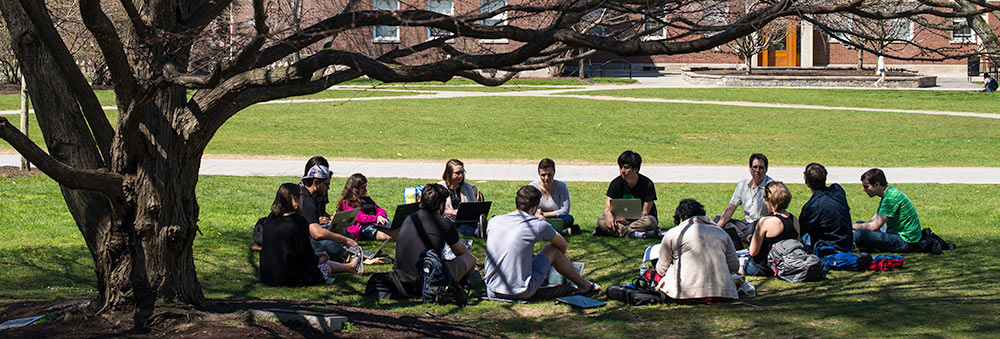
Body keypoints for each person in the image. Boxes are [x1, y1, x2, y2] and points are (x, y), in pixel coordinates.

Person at [485, 185, 600, 300]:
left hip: (491, 289)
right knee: (553, 250)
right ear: (534, 208)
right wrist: (548, 265)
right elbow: (562, 245)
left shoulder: (494, 221)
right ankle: (584, 285)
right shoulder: (536, 224)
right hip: (520, 292)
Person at [260, 183, 360, 286]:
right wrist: (317, 259)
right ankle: (350, 267)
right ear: (295, 199)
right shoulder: (298, 221)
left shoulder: (270, 219)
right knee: (325, 267)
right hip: (290, 277)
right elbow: (305, 253)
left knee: (321, 261)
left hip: (267, 275)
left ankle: (350, 267)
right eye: (301, 196)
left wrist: (315, 256)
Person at [393, 184, 479, 294]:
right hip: (428, 279)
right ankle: (468, 279)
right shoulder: (443, 223)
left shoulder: (410, 218)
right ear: (441, 205)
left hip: (401, 277)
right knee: (469, 258)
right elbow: (461, 251)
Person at [655, 199, 739, 302]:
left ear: (680, 219)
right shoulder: (721, 233)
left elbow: (661, 269)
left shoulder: (673, 234)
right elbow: (734, 266)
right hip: (722, 293)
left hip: (683, 294)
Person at [300, 161, 361, 263]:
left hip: (304, 237)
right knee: (336, 248)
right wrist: (344, 240)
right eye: (326, 184)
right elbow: (317, 233)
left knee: (336, 240)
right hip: (300, 241)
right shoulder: (306, 201)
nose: (328, 187)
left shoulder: (307, 195)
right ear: (315, 182)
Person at [852, 168, 922, 252]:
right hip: (897, 235)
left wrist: (849, 226)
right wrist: (857, 226)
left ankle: (859, 245)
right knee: (860, 224)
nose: (864, 190)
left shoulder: (891, 198)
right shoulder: (888, 193)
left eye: (866, 187)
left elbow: (874, 226)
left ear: (877, 184)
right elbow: (873, 220)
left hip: (906, 242)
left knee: (859, 234)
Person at [741, 181, 799, 277]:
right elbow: (797, 243)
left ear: (770, 201)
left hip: (762, 268)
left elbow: (753, 252)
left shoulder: (765, 222)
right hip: (784, 265)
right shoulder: (794, 220)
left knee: (734, 262)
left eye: (765, 199)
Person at [595, 150, 658, 238]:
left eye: (626, 168)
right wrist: (608, 215)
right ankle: (634, 234)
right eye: (620, 167)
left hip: (639, 220)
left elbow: (645, 212)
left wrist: (628, 221)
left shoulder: (647, 184)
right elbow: (607, 208)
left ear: (635, 169)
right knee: (601, 220)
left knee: (651, 221)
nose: (622, 171)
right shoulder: (616, 183)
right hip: (619, 220)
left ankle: (616, 231)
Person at [714, 153, 773, 248]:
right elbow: (730, 208)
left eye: (761, 168)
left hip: (761, 224)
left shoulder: (771, 186)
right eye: (755, 167)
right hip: (746, 224)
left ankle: (741, 240)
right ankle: (745, 239)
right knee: (719, 220)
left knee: (753, 227)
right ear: (750, 168)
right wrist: (717, 228)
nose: (757, 171)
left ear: (766, 169)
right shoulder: (743, 185)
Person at [798, 163, 854, 252]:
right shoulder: (838, 190)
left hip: (829, 247)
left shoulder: (812, 206)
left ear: (806, 180)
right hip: (846, 243)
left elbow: (799, 231)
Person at [336, 173, 394, 241]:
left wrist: (380, 216)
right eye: (362, 188)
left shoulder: (367, 199)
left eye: (365, 187)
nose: (365, 190)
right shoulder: (348, 202)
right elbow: (361, 218)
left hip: (377, 223)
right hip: (363, 228)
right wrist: (376, 218)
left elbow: (379, 209)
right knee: (387, 236)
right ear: (355, 189)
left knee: (397, 227)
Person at [529, 158, 578, 234]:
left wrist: (544, 214)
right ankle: (560, 232)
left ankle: (544, 230)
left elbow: (565, 210)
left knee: (568, 219)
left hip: (556, 218)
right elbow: (528, 209)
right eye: (543, 175)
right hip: (538, 218)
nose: (546, 178)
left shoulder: (562, 187)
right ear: (539, 174)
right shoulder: (532, 187)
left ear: (554, 172)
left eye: (549, 175)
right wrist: (537, 213)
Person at [437, 159, 483, 236]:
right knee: (463, 229)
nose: (460, 175)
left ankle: (482, 229)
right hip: (447, 220)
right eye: (457, 173)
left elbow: (473, 206)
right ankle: (478, 232)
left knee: (468, 225)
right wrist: (452, 212)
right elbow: (435, 210)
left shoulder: (467, 187)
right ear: (449, 173)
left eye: (462, 172)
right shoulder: (439, 188)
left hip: (466, 219)